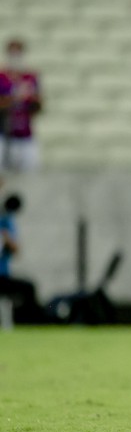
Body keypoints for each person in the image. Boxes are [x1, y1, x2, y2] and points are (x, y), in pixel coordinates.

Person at [0, 193, 45, 323]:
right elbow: (15, 250)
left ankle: (30, 320)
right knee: (28, 288)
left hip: (3, 276)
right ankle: (31, 320)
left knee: (27, 288)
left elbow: (15, 250)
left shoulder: (6, 222)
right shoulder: (5, 222)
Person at [0, 39, 43, 172]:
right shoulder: (2, 77)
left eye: (18, 53)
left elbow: (38, 107)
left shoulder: (30, 77)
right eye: (12, 53)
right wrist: (14, 97)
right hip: (4, 134)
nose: (15, 57)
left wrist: (34, 100)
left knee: (31, 171)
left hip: (25, 133)